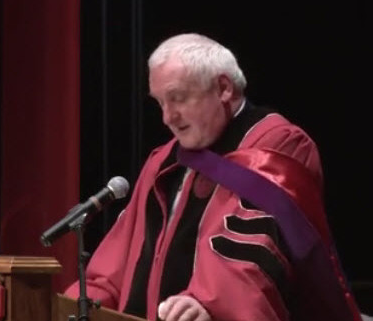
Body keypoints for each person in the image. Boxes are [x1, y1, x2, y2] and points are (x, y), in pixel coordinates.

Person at [64, 33, 362, 321]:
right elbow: (119, 259)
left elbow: (254, 251)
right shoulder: (163, 162)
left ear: (223, 88)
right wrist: (78, 302)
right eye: (160, 102)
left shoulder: (276, 146)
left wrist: (206, 303)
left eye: (178, 98)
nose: (168, 117)